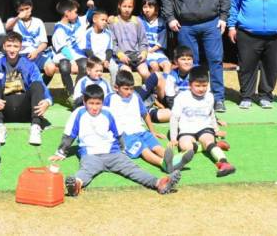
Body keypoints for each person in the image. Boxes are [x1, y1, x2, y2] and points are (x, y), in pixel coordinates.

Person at [49, 84, 182, 197]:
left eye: (98, 103)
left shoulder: (108, 113)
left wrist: (123, 150)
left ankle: (159, 183)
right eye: (91, 103)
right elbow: (69, 135)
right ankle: (75, 185)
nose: (94, 107)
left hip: (113, 154)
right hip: (90, 155)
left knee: (133, 169)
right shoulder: (78, 113)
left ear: (102, 102)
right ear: (84, 102)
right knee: (85, 171)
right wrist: (61, 152)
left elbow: (119, 134)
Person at [161, 0, 231, 112]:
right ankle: (193, 97)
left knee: (215, 61)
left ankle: (218, 98)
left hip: (212, 23)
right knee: (190, 62)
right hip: (185, 25)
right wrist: (170, 18)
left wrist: (223, 17)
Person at [104, 71, 192, 172]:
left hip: (141, 131)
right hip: (125, 135)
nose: (129, 92)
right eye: (126, 89)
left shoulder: (136, 97)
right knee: (144, 150)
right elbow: (103, 117)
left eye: (132, 88)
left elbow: (145, 114)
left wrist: (153, 131)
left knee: (157, 147)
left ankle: (176, 160)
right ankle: (162, 164)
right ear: (116, 87)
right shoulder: (110, 99)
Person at [0, 31, 53, 146]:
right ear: (4, 47)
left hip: (24, 109)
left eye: (15, 46)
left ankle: (36, 126)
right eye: (9, 46)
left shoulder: (30, 65)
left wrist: (48, 101)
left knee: (37, 84)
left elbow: (41, 84)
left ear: (20, 48)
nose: (12, 50)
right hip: (3, 108)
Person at [169, 67, 235, 177]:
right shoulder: (181, 97)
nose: (201, 89)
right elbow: (174, 118)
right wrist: (173, 138)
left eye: (204, 85)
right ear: (190, 85)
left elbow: (211, 114)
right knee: (186, 147)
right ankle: (212, 146)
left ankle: (224, 163)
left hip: (204, 127)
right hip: (187, 129)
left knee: (208, 140)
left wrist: (216, 130)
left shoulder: (209, 96)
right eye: (198, 86)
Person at [6, 0, 57, 84]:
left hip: (36, 54)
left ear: (31, 7)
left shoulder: (38, 22)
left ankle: (41, 87)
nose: (25, 11)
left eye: (27, 8)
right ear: (17, 10)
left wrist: (36, 52)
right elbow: (7, 27)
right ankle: (15, 92)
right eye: (21, 9)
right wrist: (18, 17)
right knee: (14, 84)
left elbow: (44, 43)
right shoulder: (14, 21)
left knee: (51, 68)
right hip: (19, 55)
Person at [52, 0, 94, 97]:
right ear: (67, 13)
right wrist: (72, 61)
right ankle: (70, 92)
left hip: (78, 54)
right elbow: (63, 49)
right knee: (65, 68)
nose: (77, 14)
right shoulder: (59, 29)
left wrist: (91, 6)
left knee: (85, 66)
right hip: (65, 56)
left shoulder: (79, 21)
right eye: (75, 12)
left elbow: (90, 15)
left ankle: (77, 91)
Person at [142, 45, 195, 124]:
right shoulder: (172, 75)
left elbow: (204, 96)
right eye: (183, 59)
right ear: (176, 62)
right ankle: (141, 105)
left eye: (189, 59)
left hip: (192, 106)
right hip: (174, 104)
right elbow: (170, 101)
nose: (187, 62)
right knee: (161, 115)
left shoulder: (197, 73)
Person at [109, 0, 149, 80]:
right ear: (119, 6)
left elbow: (143, 41)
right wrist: (120, 55)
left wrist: (143, 53)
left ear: (133, 7)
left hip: (136, 56)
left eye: (130, 7)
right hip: (122, 57)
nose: (127, 9)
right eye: (124, 6)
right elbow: (113, 43)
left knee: (145, 73)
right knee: (127, 76)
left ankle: (148, 92)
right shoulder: (113, 22)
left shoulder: (137, 21)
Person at [138, 0, 172, 79]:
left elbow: (161, 42)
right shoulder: (138, 20)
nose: (147, 9)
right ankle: (154, 87)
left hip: (157, 51)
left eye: (150, 7)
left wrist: (152, 50)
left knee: (167, 65)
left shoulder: (161, 22)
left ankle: (165, 83)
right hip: (144, 52)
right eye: (145, 7)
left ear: (156, 8)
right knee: (154, 65)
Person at [83, 8, 117, 82]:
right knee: (89, 68)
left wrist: (107, 60)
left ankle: (112, 90)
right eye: (102, 20)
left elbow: (109, 49)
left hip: (105, 59)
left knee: (114, 68)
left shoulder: (108, 33)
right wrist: (97, 61)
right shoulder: (88, 33)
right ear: (94, 20)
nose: (105, 22)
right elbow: (87, 49)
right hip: (92, 58)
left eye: (106, 20)